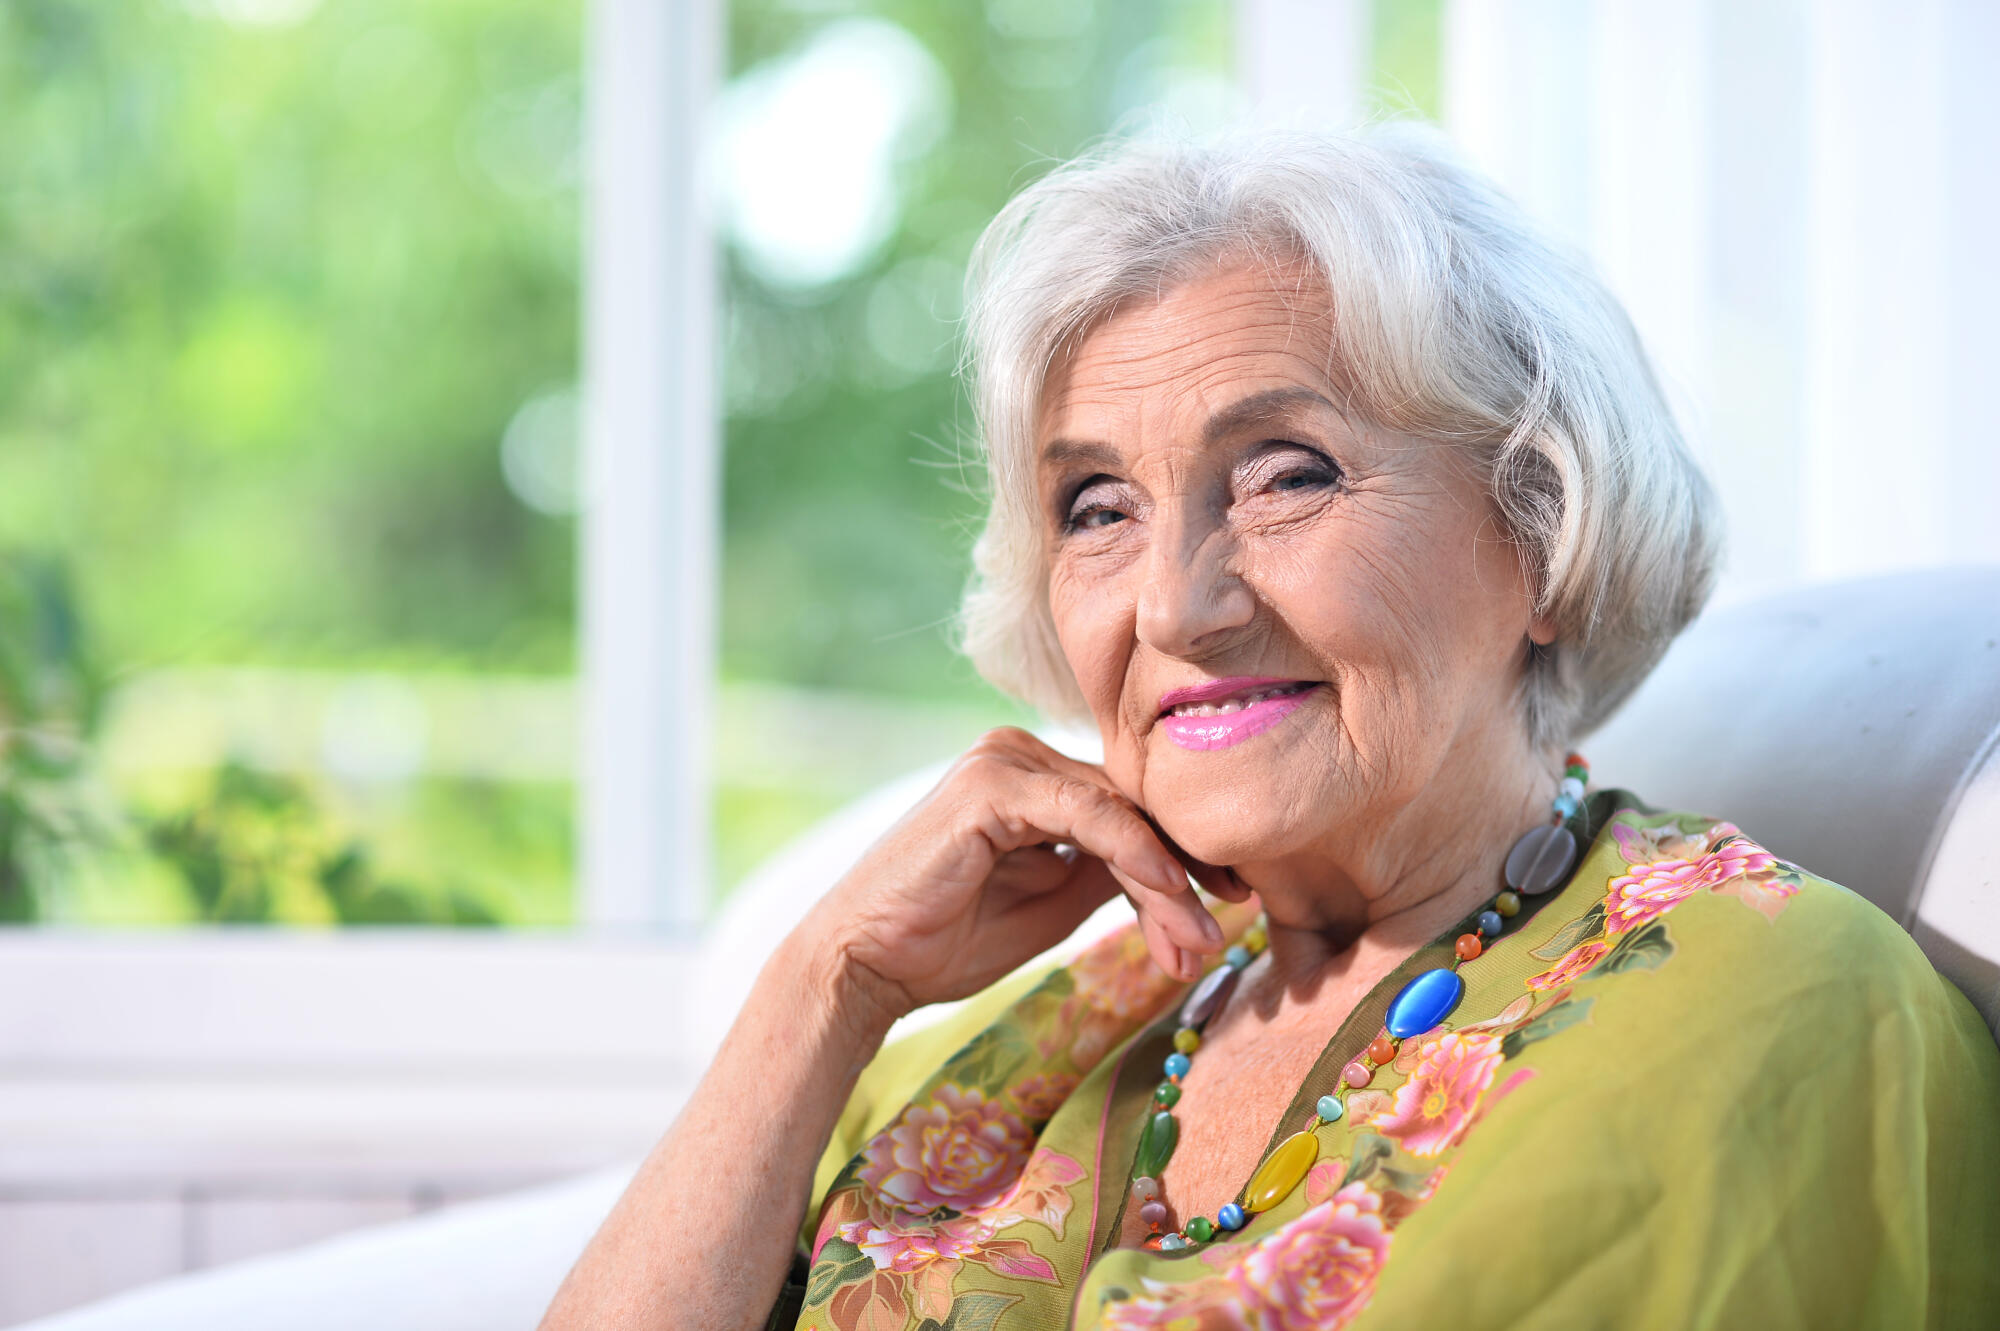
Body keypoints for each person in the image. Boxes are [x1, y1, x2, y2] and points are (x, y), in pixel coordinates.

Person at [540, 127, 2000, 1331]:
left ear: (1543, 535)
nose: (1176, 605)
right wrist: (827, 989)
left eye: (1287, 475)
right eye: (1097, 508)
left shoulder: (1759, 1000)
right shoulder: (1032, 1033)